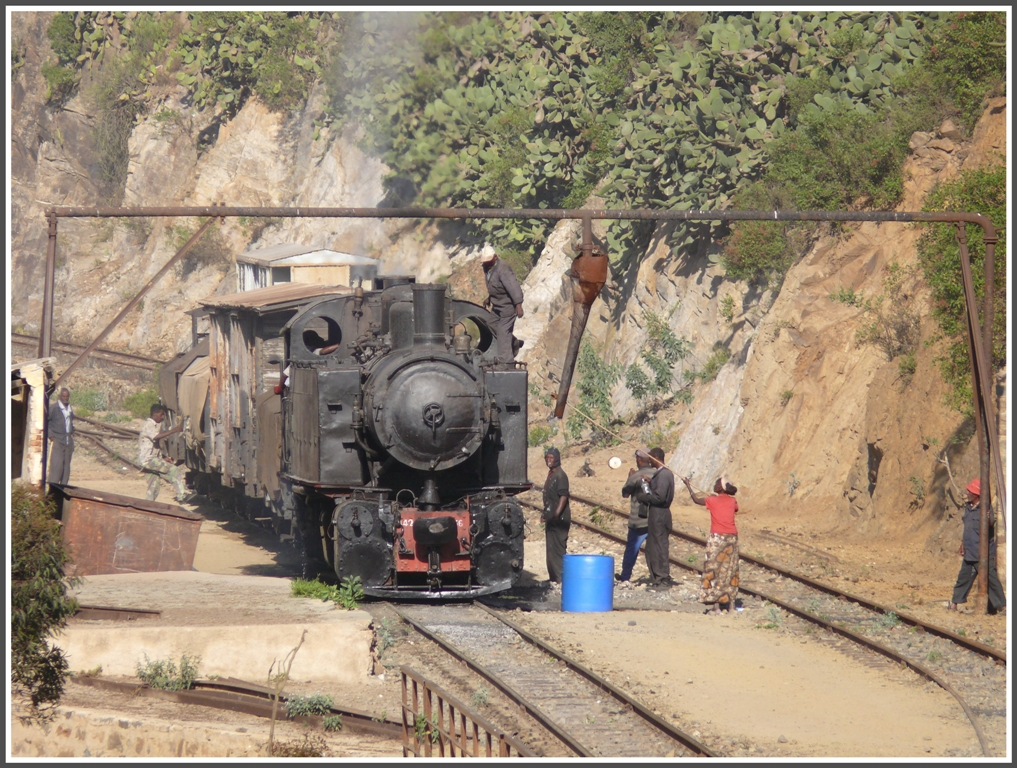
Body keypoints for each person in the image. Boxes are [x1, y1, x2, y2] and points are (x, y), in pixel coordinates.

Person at [683, 475, 740, 614]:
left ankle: (716, 607)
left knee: (713, 570)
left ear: (720, 487)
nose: (714, 485)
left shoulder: (712, 500)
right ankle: (731, 606)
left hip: (717, 538)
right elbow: (734, 509)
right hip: (732, 538)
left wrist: (688, 485)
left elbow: (696, 500)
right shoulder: (732, 501)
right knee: (730, 570)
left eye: (716, 484)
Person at [948, 478, 1006, 615]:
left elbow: (991, 523)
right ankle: (955, 603)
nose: (967, 493)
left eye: (970, 491)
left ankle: (1003, 607)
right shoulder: (968, 507)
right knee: (963, 578)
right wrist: (963, 544)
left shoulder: (985, 508)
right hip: (970, 550)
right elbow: (968, 528)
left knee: (991, 580)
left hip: (983, 553)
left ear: (977, 494)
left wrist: (988, 518)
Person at [634, 447, 675, 591]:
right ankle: (657, 577)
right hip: (658, 514)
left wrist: (643, 497)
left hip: (659, 514)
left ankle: (662, 578)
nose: (649, 460)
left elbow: (659, 497)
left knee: (659, 547)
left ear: (656, 458)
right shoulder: (662, 474)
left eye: (650, 457)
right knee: (653, 547)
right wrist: (650, 482)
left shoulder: (664, 475)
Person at [617, 449, 656, 583]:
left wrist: (629, 477)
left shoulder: (636, 476)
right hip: (654, 519)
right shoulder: (657, 473)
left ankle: (625, 576)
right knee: (654, 550)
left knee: (632, 549)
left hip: (638, 520)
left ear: (639, 460)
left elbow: (625, 493)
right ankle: (656, 577)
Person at [139, 403, 190, 504]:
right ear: (154, 414)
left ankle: (147, 506)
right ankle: (181, 496)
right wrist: (175, 430)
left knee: (154, 486)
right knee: (173, 470)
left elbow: (153, 447)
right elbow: (156, 437)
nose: (163, 417)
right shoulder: (149, 425)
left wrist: (163, 457)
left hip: (148, 460)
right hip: (149, 460)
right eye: (161, 415)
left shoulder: (154, 425)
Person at [481, 248, 525, 363]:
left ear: (495, 257)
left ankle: (506, 360)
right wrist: (489, 298)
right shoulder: (488, 268)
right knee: (491, 323)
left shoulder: (503, 270)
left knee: (502, 330)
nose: (486, 263)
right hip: (497, 306)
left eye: (488, 260)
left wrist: (518, 305)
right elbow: (496, 286)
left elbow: (513, 287)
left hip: (508, 306)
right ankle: (513, 342)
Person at [541, 446, 571, 585]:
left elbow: (563, 497)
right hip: (551, 518)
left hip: (559, 519)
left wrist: (556, 515)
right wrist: (546, 514)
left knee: (558, 549)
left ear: (557, 459)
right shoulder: (551, 474)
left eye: (551, 458)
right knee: (550, 549)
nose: (549, 460)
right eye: (547, 458)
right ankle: (553, 578)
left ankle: (561, 579)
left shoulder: (561, 475)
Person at [47, 387, 75, 485]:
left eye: (67, 396)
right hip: (57, 440)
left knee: (66, 467)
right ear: (59, 396)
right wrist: (50, 435)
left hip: (68, 441)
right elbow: (46, 422)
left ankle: (63, 488)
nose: (65, 398)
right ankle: (53, 490)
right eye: (63, 396)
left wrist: (72, 430)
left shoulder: (69, 408)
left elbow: (70, 422)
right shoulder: (54, 408)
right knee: (56, 466)